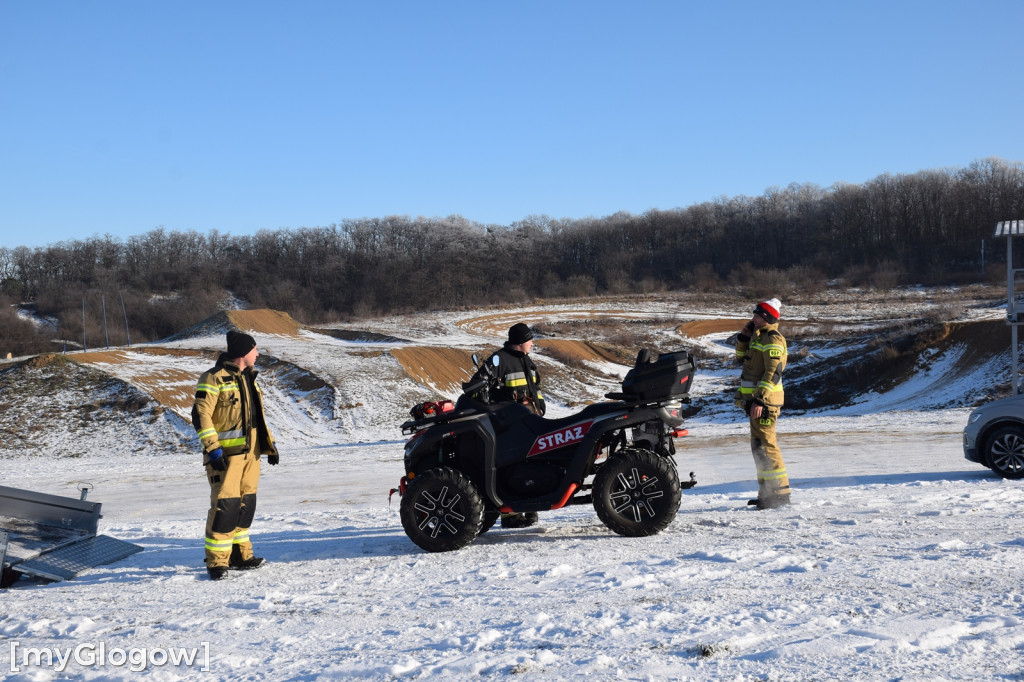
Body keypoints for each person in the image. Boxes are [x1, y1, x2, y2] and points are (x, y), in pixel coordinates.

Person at [192, 330, 279, 580]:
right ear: (244, 352)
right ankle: (217, 562)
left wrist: (270, 446)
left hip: (251, 456)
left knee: (245, 506)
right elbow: (201, 414)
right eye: (255, 349)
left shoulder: (249, 378)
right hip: (225, 457)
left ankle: (241, 555)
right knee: (225, 507)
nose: (258, 353)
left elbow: (256, 419)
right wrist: (212, 447)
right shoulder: (213, 378)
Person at [472, 322, 546, 528]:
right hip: (508, 426)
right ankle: (510, 516)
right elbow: (478, 386)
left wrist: (540, 407)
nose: (532, 342)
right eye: (529, 339)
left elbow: (535, 388)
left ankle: (530, 508)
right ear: (520, 341)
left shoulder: (527, 361)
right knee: (511, 467)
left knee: (534, 465)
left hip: (532, 423)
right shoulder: (499, 360)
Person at [734, 298, 791, 510]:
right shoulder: (758, 337)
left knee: (768, 446)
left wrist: (760, 399)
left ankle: (780, 495)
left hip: (764, 403)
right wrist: (743, 337)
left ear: (766, 317)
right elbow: (740, 359)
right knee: (759, 448)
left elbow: (773, 372)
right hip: (753, 403)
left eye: (757, 315)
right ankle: (767, 494)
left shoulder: (773, 339)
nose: (753, 318)